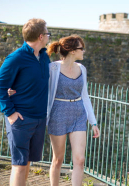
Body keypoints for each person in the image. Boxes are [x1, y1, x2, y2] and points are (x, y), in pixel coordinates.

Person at [0, 18, 51, 186]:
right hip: (21, 119)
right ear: (41, 36)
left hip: (39, 119)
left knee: (27, 162)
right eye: (48, 33)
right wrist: (10, 112)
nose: (49, 36)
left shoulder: (44, 58)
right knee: (19, 165)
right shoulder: (15, 58)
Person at [46, 35, 100, 186]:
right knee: (58, 160)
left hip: (78, 114)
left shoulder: (82, 69)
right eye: (81, 48)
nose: (84, 51)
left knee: (80, 160)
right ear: (71, 51)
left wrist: (93, 122)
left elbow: (85, 96)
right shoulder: (53, 68)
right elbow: (40, 90)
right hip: (58, 114)